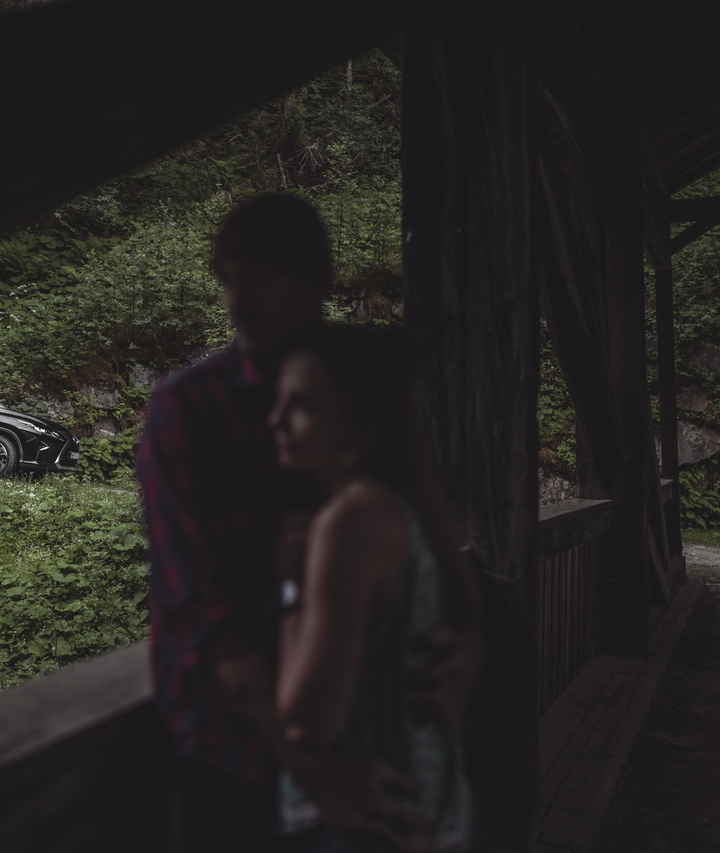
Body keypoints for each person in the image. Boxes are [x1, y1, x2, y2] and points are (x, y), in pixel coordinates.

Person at [136, 192, 483, 851]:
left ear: (312, 284)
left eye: (256, 278)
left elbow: (421, 526)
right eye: (226, 279)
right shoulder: (188, 410)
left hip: (360, 739)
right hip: (238, 748)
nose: (235, 300)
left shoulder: (353, 383)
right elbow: (202, 609)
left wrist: (463, 643)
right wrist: (317, 774)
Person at [269, 325, 486, 852]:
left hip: (372, 822)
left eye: (302, 404)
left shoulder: (350, 520)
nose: (276, 419)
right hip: (428, 803)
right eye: (279, 400)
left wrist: (290, 589)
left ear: (358, 418)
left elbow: (307, 720)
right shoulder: (401, 508)